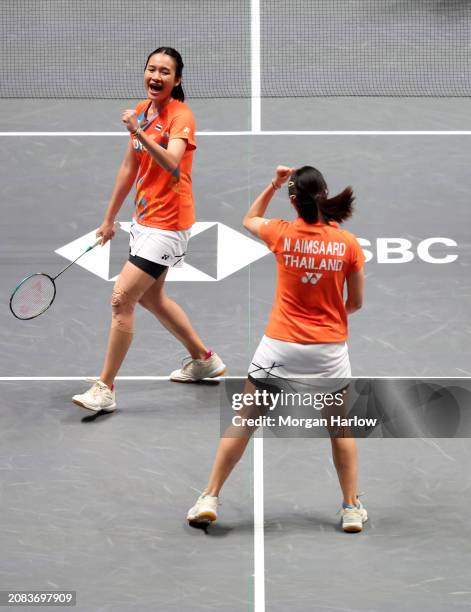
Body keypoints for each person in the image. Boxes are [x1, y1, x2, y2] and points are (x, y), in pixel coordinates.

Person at [187, 165, 367, 533]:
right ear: (325, 194)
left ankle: (209, 497)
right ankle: (351, 508)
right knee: (341, 430)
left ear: (293, 201)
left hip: (278, 349)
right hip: (328, 353)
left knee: (244, 422)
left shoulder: (280, 233)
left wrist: (272, 183)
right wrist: (330, 314)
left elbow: (249, 218)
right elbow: (356, 303)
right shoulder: (348, 244)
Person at [72, 47, 225, 412]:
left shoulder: (180, 115)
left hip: (168, 225)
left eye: (165, 72)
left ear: (177, 80)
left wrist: (139, 131)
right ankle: (204, 359)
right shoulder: (142, 110)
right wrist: (109, 219)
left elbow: (172, 162)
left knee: (122, 299)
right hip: (144, 220)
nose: (156, 76)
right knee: (153, 298)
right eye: (151, 69)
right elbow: (129, 168)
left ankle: (105, 388)